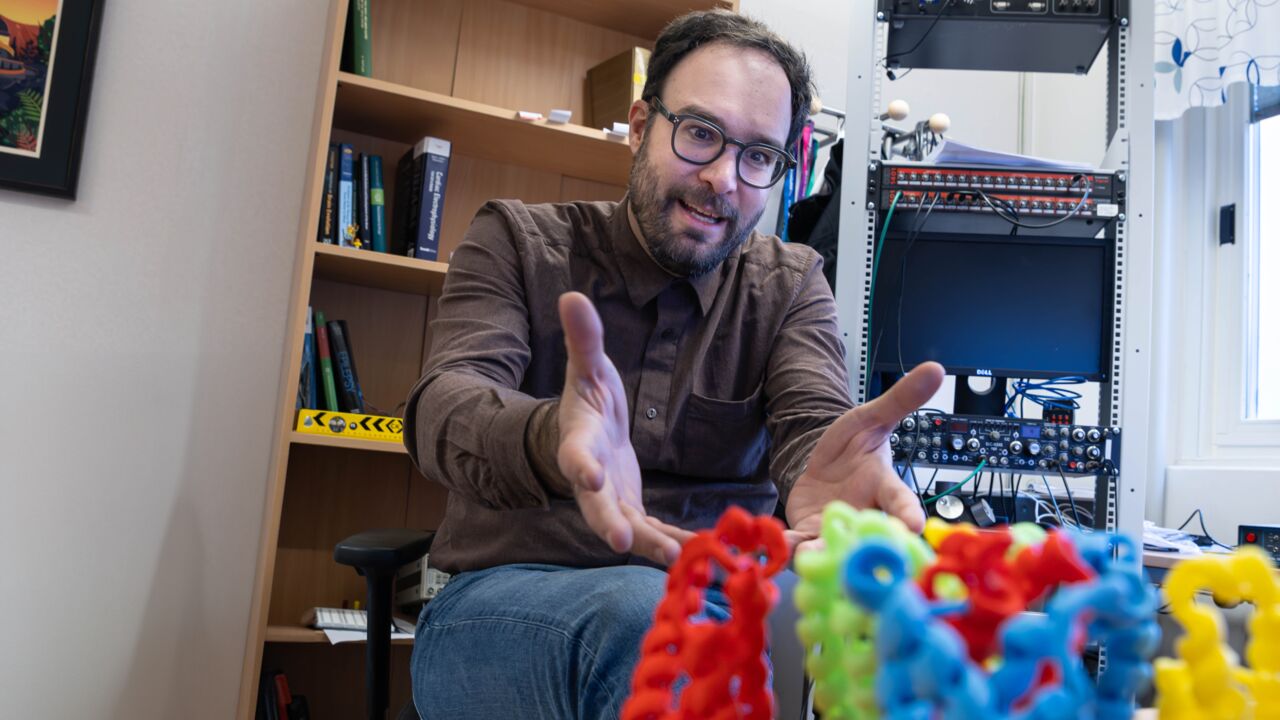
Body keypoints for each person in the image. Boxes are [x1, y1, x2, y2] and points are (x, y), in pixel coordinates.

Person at [401, 9, 944, 719]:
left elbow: (813, 415)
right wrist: (553, 438)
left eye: (758, 156)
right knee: (651, 623)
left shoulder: (789, 285)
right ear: (640, 125)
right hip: (497, 605)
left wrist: (832, 470)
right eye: (700, 133)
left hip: (709, 621)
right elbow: (443, 406)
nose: (723, 178)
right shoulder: (517, 241)